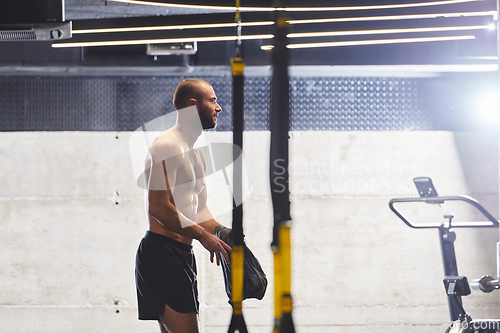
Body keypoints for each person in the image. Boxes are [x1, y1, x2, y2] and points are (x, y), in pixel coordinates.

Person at [135, 79, 232, 333]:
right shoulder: (166, 146)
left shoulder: (196, 153)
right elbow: (158, 208)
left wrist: (225, 234)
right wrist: (202, 236)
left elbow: (200, 212)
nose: (218, 107)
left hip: (181, 255)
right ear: (192, 105)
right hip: (162, 255)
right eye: (212, 100)